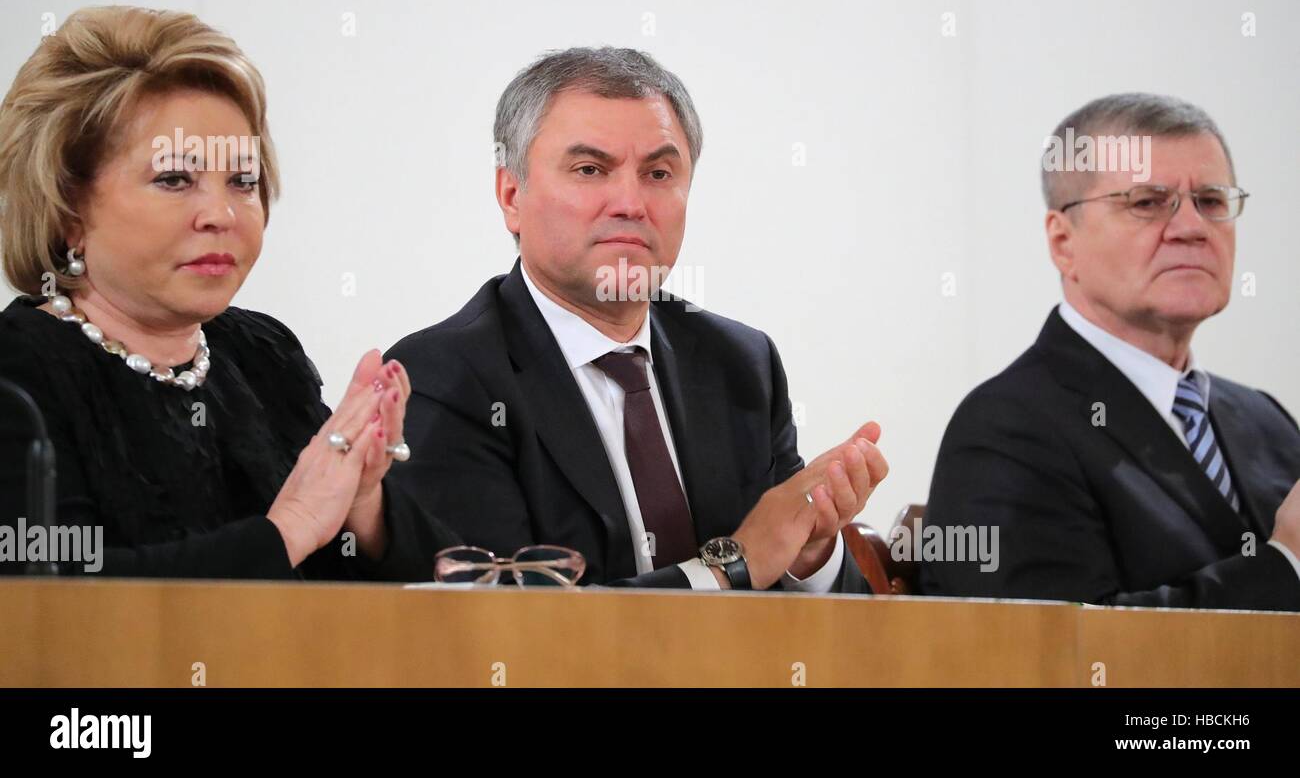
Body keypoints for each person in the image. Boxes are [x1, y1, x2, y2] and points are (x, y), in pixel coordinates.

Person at [385, 47, 888, 590]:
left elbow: (834, 632)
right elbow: (505, 625)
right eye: (589, 170)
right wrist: (730, 568)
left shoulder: (741, 364)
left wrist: (808, 552)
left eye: (658, 172)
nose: (630, 202)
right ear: (511, 195)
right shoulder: (442, 377)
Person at [0, 6, 457, 579]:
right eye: (174, 180)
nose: (221, 214)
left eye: (242, 182)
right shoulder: (17, 376)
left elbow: (411, 600)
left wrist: (362, 505)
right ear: (68, 210)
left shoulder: (261, 354)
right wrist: (288, 527)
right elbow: (50, 605)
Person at [922, 93, 1300, 610]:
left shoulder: (1267, 422)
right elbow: (1047, 661)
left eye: (1211, 201)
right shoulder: (1005, 431)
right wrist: (1287, 565)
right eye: (1147, 202)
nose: (1191, 227)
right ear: (1062, 242)